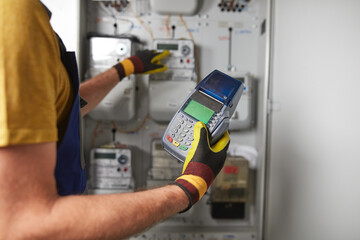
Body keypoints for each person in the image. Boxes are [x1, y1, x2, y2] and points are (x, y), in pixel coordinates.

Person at [0, 0, 230, 239]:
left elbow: (63, 107)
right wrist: (189, 188)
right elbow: (26, 225)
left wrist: (125, 68)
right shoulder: (14, 16)